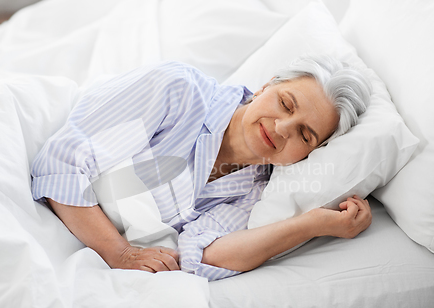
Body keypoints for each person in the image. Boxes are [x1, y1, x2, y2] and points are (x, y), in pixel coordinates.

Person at [31, 54, 373, 281]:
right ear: (266, 86)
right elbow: (62, 163)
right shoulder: (178, 90)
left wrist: (311, 225)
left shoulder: (255, 191)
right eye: (285, 104)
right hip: (39, 207)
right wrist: (119, 252)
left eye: (305, 135)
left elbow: (203, 256)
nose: (283, 128)